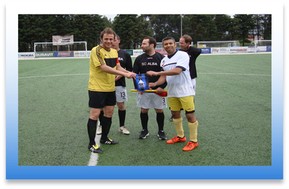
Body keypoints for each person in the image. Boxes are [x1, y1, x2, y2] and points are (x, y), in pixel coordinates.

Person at [87, 27, 135, 153]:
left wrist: (130, 72)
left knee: (109, 113)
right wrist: (125, 75)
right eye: (106, 39)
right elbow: (104, 67)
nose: (108, 41)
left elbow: (118, 66)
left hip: (110, 88)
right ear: (101, 39)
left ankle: (104, 138)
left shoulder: (114, 52)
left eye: (111, 39)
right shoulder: (96, 50)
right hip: (96, 88)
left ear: (114, 40)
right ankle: (91, 144)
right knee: (95, 115)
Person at [146, 36, 199, 152]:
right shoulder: (164, 60)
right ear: (163, 46)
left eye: (170, 43)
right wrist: (154, 84)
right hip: (172, 92)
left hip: (185, 91)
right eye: (166, 44)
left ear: (175, 44)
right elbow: (163, 77)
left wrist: (156, 73)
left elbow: (177, 71)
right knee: (175, 114)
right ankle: (181, 137)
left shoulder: (183, 55)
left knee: (190, 115)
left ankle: (194, 141)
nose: (168, 46)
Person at [97, 34, 133, 135]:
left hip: (119, 84)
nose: (112, 42)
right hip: (105, 84)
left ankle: (122, 126)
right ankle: (101, 125)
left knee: (121, 105)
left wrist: (119, 76)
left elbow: (128, 69)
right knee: (103, 106)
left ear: (118, 41)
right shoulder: (103, 53)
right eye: (109, 40)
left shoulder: (125, 54)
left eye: (114, 40)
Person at [133, 36, 167, 140]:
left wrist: (161, 86)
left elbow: (165, 74)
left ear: (151, 45)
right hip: (144, 90)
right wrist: (139, 88)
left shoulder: (161, 58)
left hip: (158, 90)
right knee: (144, 110)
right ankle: (144, 130)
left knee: (159, 110)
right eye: (142, 44)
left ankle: (161, 131)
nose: (142, 46)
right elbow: (135, 74)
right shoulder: (139, 58)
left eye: (144, 44)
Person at [169, 34, 201, 121]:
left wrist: (189, 48)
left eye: (182, 43)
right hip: (180, 78)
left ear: (188, 43)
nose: (180, 44)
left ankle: (190, 112)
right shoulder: (179, 53)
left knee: (190, 96)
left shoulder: (193, 51)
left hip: (191, 77)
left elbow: (198, 51)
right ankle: (176, 113)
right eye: (179, 42)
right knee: (176, 94)